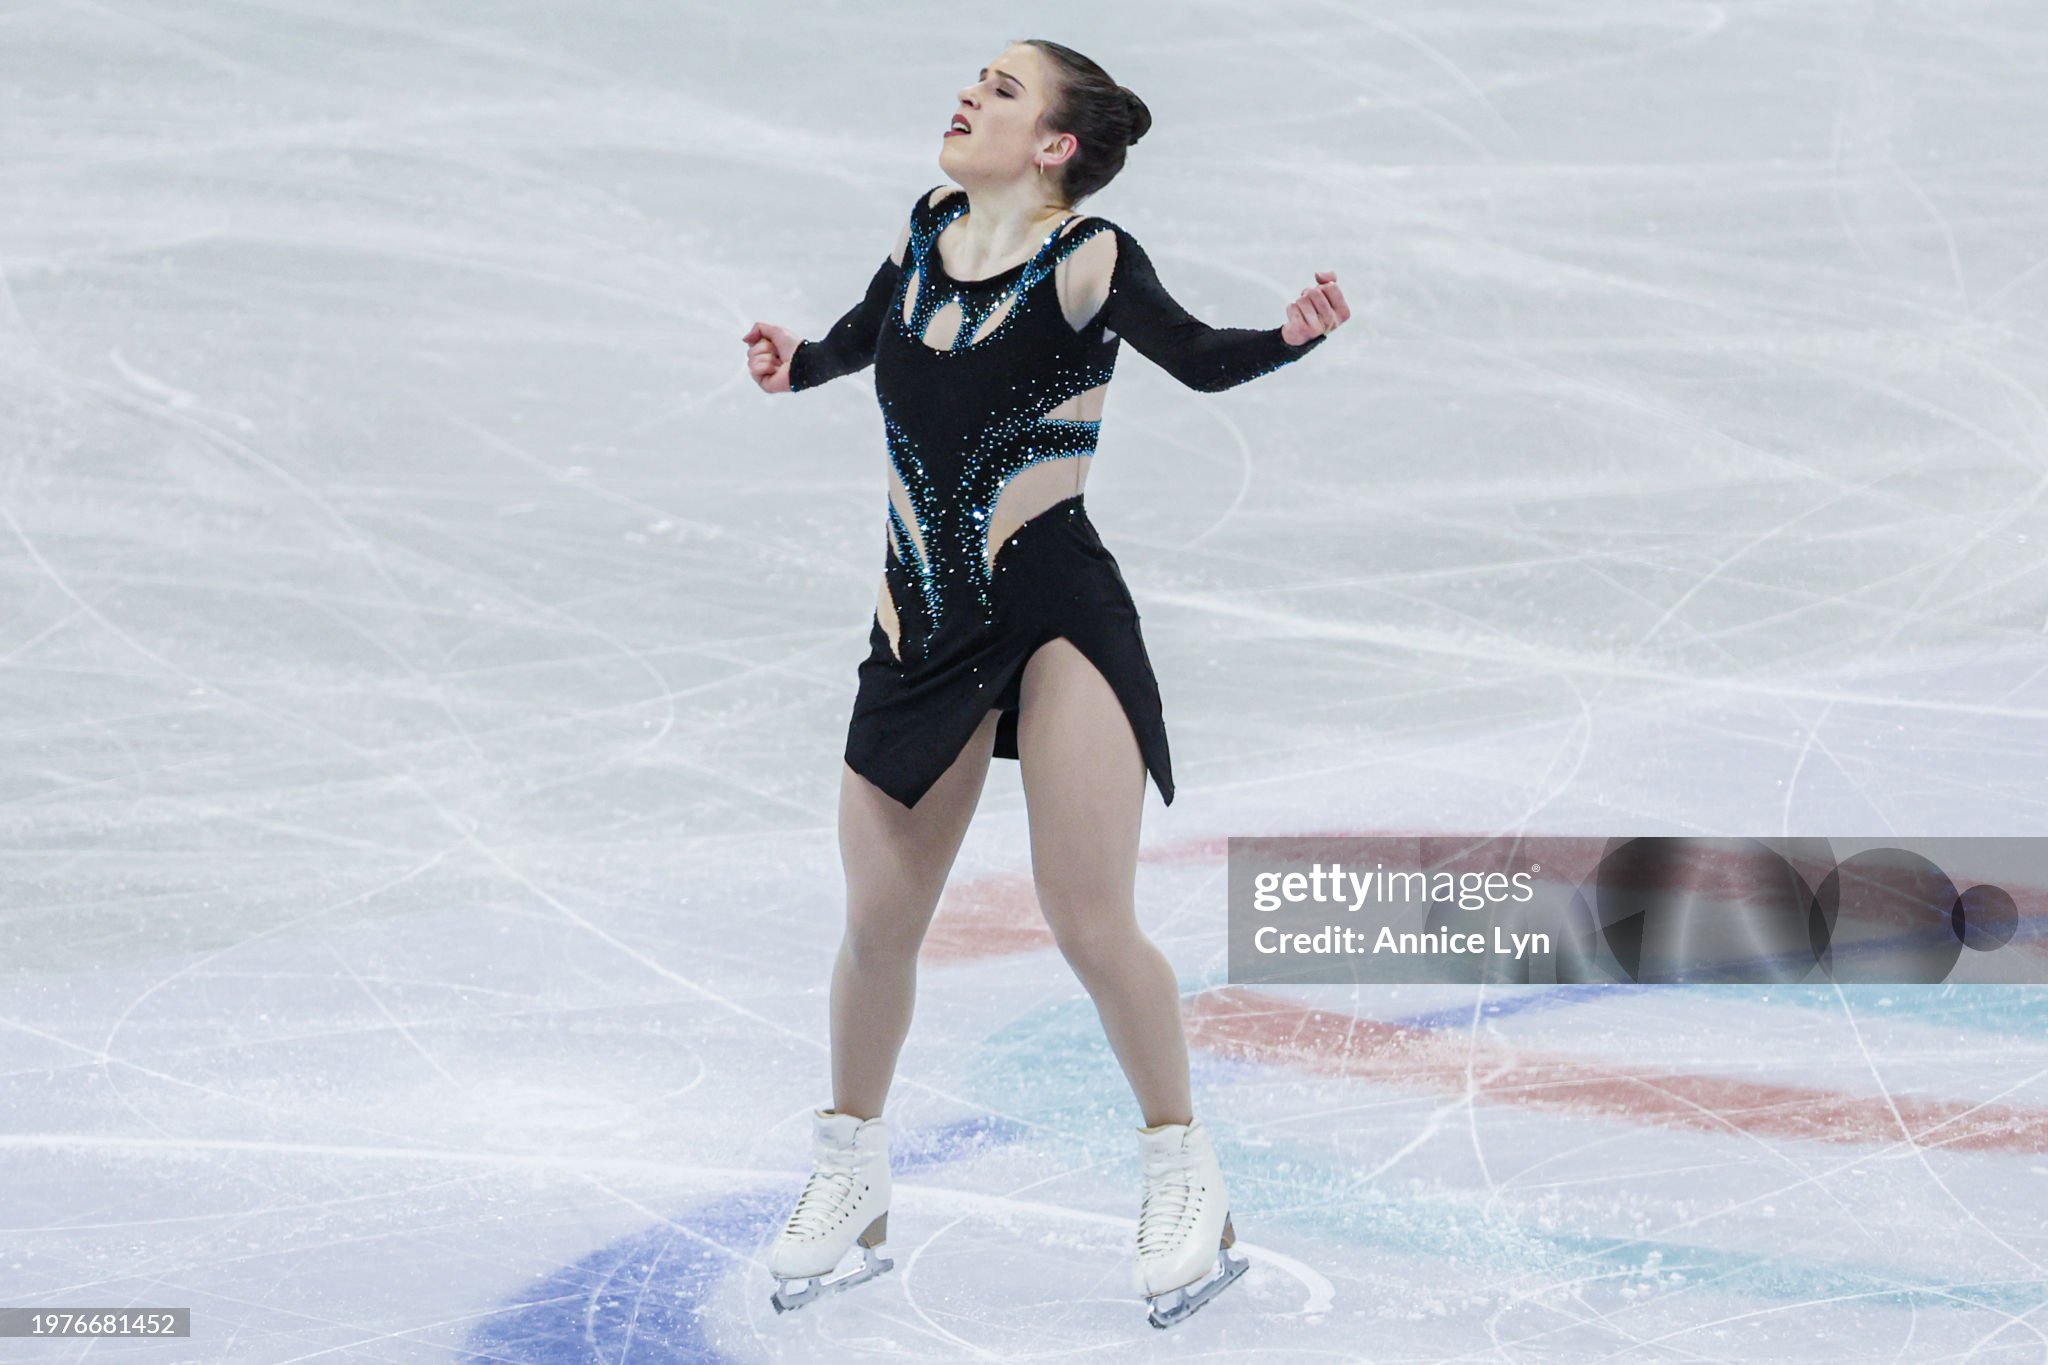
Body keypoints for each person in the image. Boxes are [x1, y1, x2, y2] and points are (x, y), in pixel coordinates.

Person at [741, 37, 1347, 1329]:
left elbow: (1197, 354)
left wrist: (1287, 339)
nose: (971, 95)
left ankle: (1185, 1175)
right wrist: (799, 362)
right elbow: (866, 332)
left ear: (1056, 146)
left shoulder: (1087, 260)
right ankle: (851, 1172)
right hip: (920, 621)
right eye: (980, 80)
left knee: (1087, 916)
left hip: (1054, 612)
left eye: (1003, 90)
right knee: (878, 924)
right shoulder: (924, 230)